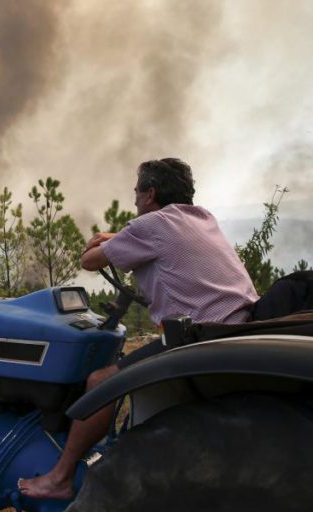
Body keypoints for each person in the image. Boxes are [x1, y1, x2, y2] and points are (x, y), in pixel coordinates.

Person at [18, 158, 259, 500]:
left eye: (136, 192)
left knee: (100, 382)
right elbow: (158, 239)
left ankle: (59, 478)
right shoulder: (201, 218)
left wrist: (101, 242)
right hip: (241, 327)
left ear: (150, 194)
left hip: (200, 338)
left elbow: (89, 261)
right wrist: (117, 236)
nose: (133, 199)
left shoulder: (152, 225)